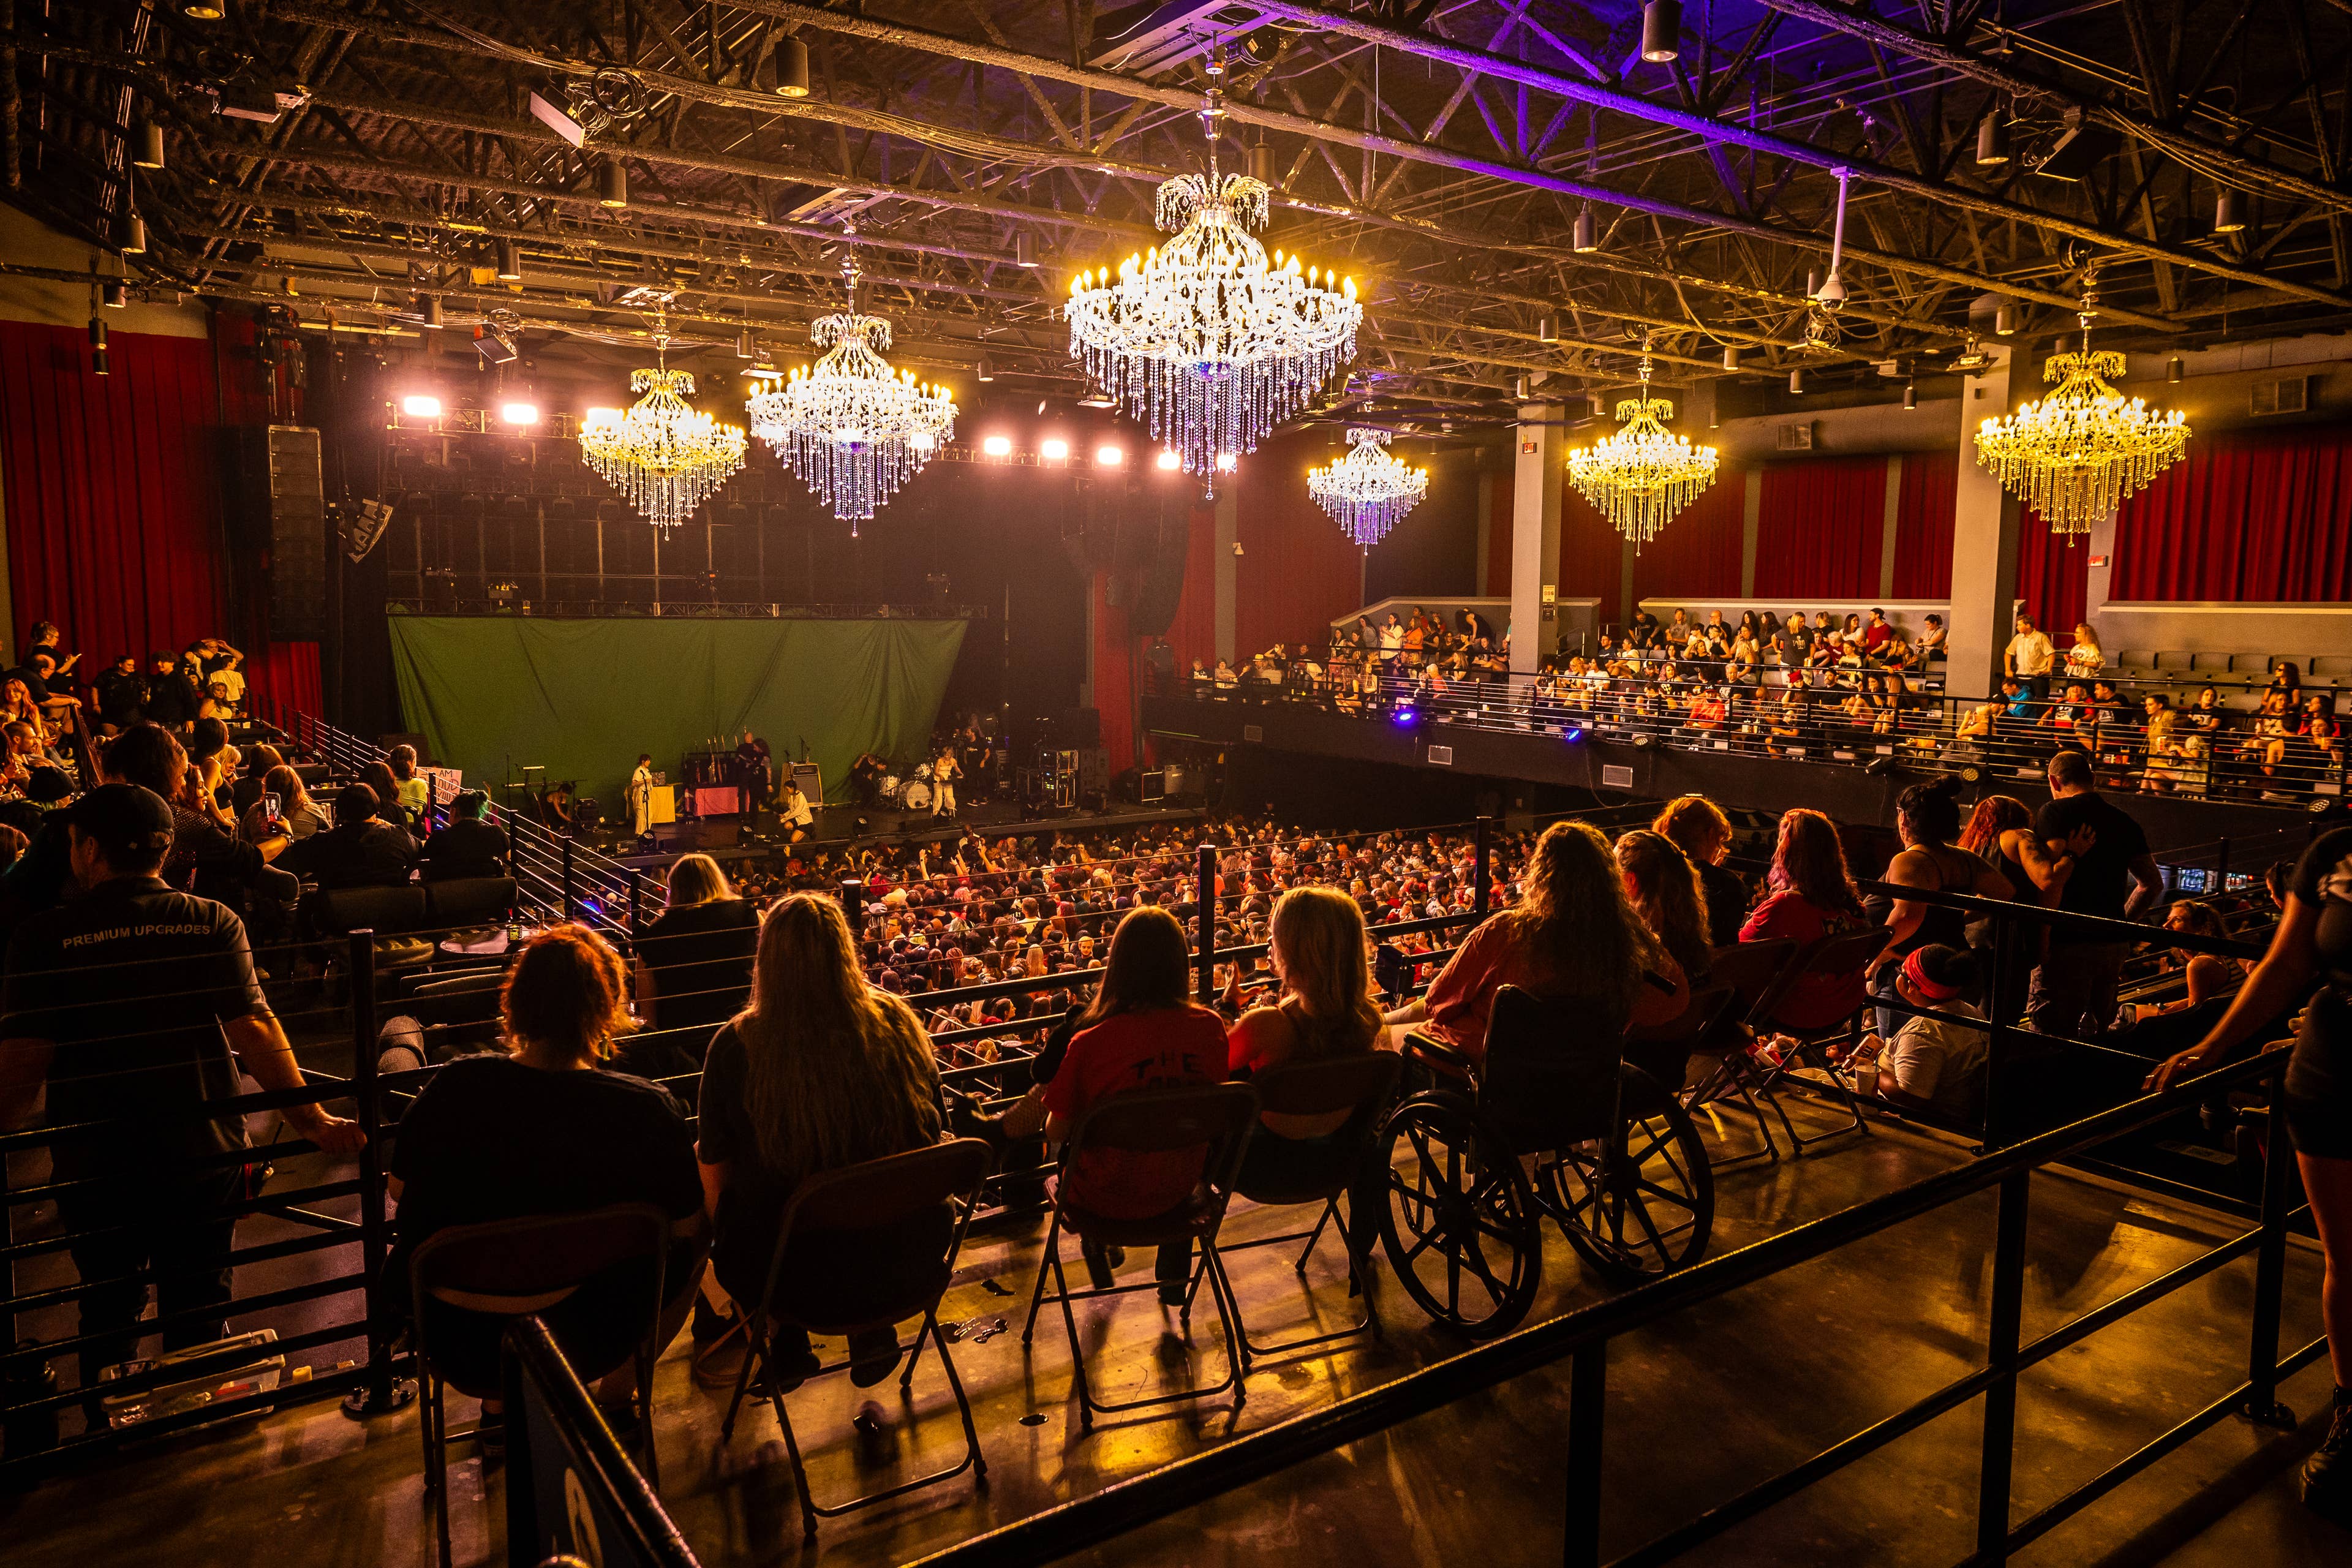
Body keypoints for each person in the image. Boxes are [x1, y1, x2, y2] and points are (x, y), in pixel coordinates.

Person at [0, 784, 363, 1392]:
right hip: (202, 1151)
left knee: (108, 1311)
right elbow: (256, 1031)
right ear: (165, 850)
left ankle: (113, 1436)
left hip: (97, 1162)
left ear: (90, 850)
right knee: (200, 1308)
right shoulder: (210, 921)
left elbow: (21, 1069)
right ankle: (201, 1433)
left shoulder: (43, 940)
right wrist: (314, 1121)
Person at [385, 924, 703, 1422]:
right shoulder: (648, 1111)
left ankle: (500, 1406)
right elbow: (684, 1231)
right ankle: (618, 1399)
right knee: (693, 1247)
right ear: (607, 1009)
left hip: (463, 1341)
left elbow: (397, 1187)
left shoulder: (454, 1089)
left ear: (515, 1003)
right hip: (595, 1336)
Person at [2146, 824, 2352, 1523]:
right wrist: (2209, 1048)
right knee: (2348, 1258)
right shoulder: (2336, 855)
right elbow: (2286, 965)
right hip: (2335, 1072)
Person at [695, 894, 945, 1388]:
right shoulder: (897, 1023)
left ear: (766, 960)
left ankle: (782, 1336)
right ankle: (872, 1328)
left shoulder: (735, 1045)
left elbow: (717, 1182)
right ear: (845, 951)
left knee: (728, 1186)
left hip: (791, 1278)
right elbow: (933, 1129)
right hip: (906, 1257)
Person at [1036, 905, 1232, 1303]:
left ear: (1118, 965)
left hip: (1103, 1199)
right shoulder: (1210, 1027)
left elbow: (1055, 1131)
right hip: (1182, 1191)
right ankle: (1175, 1284)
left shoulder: (1091, 1042)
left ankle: (1097, 1240)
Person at [1382, 820, 1687, 1065]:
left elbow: (1437, 1003)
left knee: (1382, 1042)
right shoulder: (1631, 940)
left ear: (1541, 875)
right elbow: (1676, 998)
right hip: (1578, 1078)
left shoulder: (1507, 932)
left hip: (1488, 1073)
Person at [1223, 886, 1385, 1195]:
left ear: (1297, 949)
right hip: (1336, 1163)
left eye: (1276, 935)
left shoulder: (1267, 1024)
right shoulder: (1367, 1022)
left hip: (1261, 1170)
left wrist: (1227, 1010)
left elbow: (1208, 1065)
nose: (1270, 943)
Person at [2029, 749, 2163, 1041]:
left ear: (2053, 781)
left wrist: (2041, 940)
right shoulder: (2125, 821)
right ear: (2094, 778)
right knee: (2099, 1035)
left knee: (2049, 1034)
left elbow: (2048, 880)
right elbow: (2152, 884)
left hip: (2065, 943)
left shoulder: (2055, 812)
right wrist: (2121, 925)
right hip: (2110, 945)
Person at [1871, 778, 2015, 1038]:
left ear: (1904, 819)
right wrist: (1961, 917)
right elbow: (2006, 893)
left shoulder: (1910, 860)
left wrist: (1874, 952)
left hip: (1914, 978)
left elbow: (1907, 915)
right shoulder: (1964, 858)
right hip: (1953, 969)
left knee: (1900, 1058)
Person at [1740, 809, 1871, 1035]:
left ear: (1787, 854)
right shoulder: (1853, 904)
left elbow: (1739, 953)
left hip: (1799, 1013)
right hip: (1844, 1008)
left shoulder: (1783, 907)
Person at [1845, 945, 1988, 1117]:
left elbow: (1910, 1098)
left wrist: (1869, 1067)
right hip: (1964, 1106)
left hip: (1934, 1120)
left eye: (1901, 971)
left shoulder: (1923, 1031)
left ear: (1911, 986)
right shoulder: (1969, 1010)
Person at [632, 854, 760, 1033]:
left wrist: (655, 1033)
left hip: (681, 1026)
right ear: (716, 880)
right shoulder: (744, 913)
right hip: (734, 1021)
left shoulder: (660, 930)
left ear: (675, 888)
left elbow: (645, 991)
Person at [283, 783, 418, 890]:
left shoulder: (323, 842)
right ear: (376, 810)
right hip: (391, 913)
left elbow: (293, 859)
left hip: (337, 916)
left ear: (340, 813)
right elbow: (418, 850)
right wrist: (390, 827)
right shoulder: (399, 837)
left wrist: (287, 834)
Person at [1654, 794, 1749, 946]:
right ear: (1711, 834)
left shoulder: (1651, 872)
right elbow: (1725, 942)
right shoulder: (1730, 886)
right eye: (1720, 839)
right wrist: (1715, 875)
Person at [418, 788, 508, 881]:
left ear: (454, 811)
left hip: (448, 892)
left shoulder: (439, 838)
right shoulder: (496, 833)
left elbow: (423, 865)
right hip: (490, 891)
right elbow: (507, 858)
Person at [239, 764, 328, 845]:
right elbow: (327, 838)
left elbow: (244, 843)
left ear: (267, 787)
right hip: (302, 861)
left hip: (265, 859)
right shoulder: (313, 810)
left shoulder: (254, 811)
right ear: (297, 787)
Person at [141, 650, 200, 731]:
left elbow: (190, 698)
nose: (159, 664)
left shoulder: (180, 678)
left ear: (172, 663)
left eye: (163, 661)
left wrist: (190, 718)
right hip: (157, 720)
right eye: (158, 661)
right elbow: (154, 699)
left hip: (173, 720)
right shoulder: (157, 679)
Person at [2005, 612, 2056, 702]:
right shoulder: (2018, 638)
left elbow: (2051, 653)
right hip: (2021, 676)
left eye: (2020, 625)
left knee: (2041, 702)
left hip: (2037, 676)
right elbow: (2008, 653)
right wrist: (2008, 669)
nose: (2017, 627)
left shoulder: (2041, 637)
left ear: (2028, 625)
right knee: (2022, 701)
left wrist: (2048, 669)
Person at [94, 654, 145, 734]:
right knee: (109, 734)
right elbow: (95, 687)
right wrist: (96, 704)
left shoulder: (136, 676)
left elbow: (143, 691)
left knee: (127, 735)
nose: (132, 667)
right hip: (110, 712)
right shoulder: (108, 675)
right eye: (129, 665)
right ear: (120, 665)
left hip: (130, 713)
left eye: (133, 665)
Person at [387, 745, 431, 826]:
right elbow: (421, 810)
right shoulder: (420, 784)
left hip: (388, 824)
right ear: (413, 762)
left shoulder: (386, 781)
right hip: (412, 826)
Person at [733, 730, 773, 816]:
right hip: (755, 777)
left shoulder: (741, 748)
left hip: (746, 775)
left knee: (745, 797)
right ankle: (753, 816)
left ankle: (743, 815)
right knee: (755, 799)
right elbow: (766, 769)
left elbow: (737, 761)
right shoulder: (760, 754)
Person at [777, 773, 813, 845]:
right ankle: (797, 831)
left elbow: (797, 812)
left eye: (788, 789)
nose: (787, 791)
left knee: (793, 841)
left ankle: (808, 830)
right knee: (787, 826)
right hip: (797, 819)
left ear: (792, 788)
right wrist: (784, 815)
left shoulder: (801, 797)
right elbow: (791, 810)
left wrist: (784, 820)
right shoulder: (791, 796)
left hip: (805, 822)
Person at [628, 753, 655, 843]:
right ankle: (639, 833)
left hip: (648, 794)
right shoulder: (638, 771)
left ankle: (647, 832)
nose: (649, 762)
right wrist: (643, 781)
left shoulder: (647, 771)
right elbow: (633, 784)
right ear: (643, 762)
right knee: (641, 815)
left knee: (649, 815)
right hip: (641, 794)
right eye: (648, 761)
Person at [931, 741, 962, 818]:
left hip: (947, 779)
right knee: (938, 796)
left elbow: (956, 768)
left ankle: (950, 810)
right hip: (938, 778)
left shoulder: (953, 760)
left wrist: (960, 773)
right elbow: (936, 771)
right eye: (945, 754)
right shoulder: (940, 761)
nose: (946, 756)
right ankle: (936, 812)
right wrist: (941, 776)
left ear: (951, 754)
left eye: (948, 755)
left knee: (949, 795)